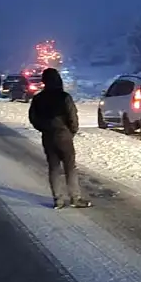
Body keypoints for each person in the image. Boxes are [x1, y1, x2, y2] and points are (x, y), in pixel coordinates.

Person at [28, 67, 91, 209]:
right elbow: (72, 116)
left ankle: (58, 200)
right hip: (64, 135)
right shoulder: (64, 97)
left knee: (54, 168)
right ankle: (75, 198)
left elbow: (33, 118)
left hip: (48, 136)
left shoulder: (38, 98)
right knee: (70, 167)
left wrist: (43, 128)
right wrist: (72, 131)